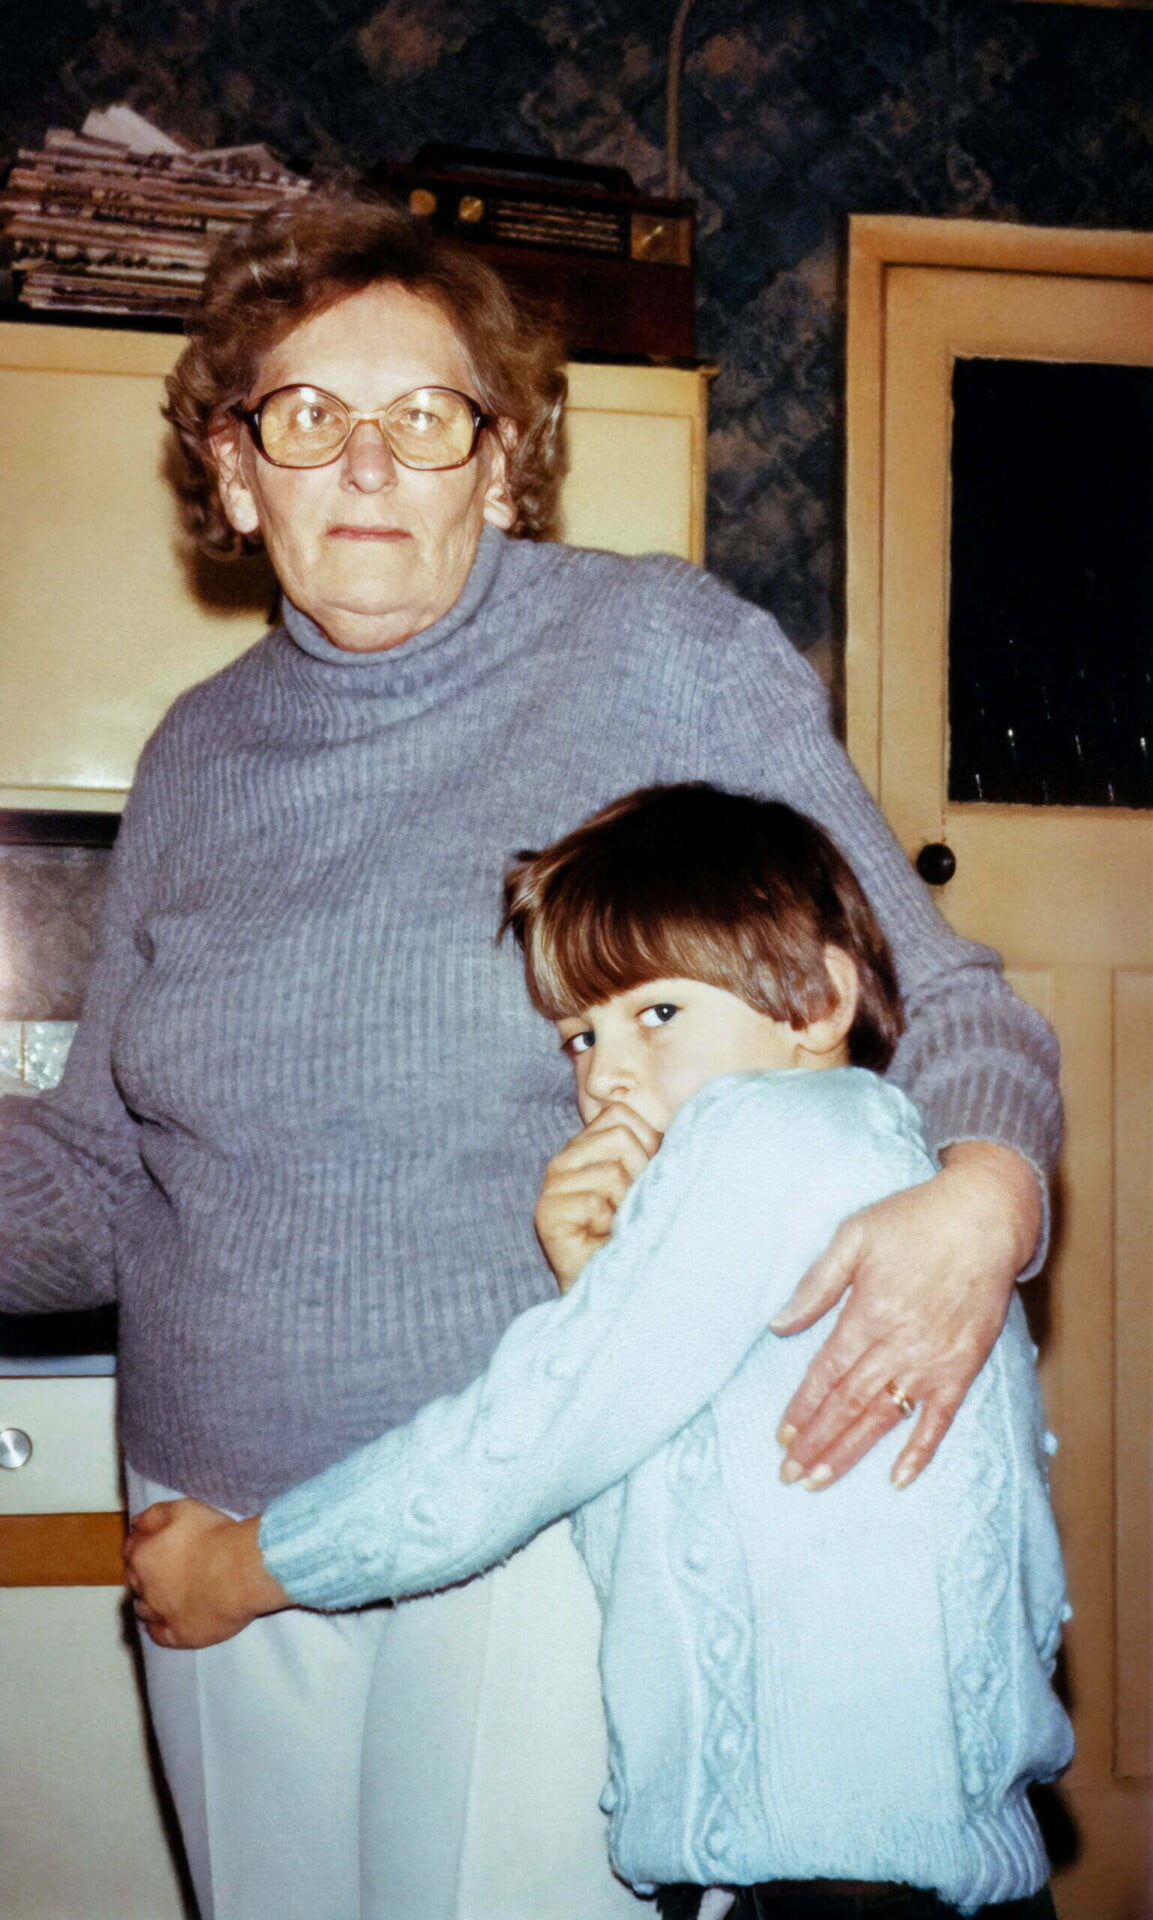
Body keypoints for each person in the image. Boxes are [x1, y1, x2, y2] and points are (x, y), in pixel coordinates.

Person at [0, 193, 1061, 1920]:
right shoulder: (195, 757)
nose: (363, 464)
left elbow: (925, 989)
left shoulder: (655, 649)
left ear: (501, 469)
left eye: (422, 418)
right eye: (303, 417)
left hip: (528, 1497)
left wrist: (987, 1197)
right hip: (203, 1498)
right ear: (229, 472)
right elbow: (106, 1176)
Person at [125, 784, 1073, 1920]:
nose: (603, 1075)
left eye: (656, 1014)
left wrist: (242, 1568)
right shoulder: (863, 1155)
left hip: (840, 1882)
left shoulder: (768, 1133)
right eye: (580, 1033)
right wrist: (602, 1279)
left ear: (817, 1000)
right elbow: (712, 1470)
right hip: (891, 1859)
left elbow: (528, 1437)